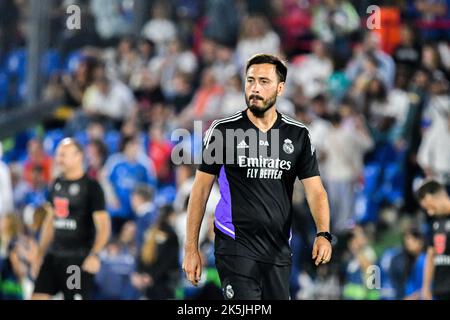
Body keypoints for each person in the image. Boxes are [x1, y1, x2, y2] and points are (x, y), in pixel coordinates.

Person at [183, 54, 332, 300]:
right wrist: (191, 248)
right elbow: (199, 191)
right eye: (250, 80)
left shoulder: (298, 136)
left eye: (264, 81)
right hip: (234, 244)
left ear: (280, 88)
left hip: (278, 248)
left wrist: (323, 233)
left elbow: (315, 190)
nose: (255, 88)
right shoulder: (223, 131)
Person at [32, 138, 111, 300]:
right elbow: (50, 222)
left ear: (78, 156)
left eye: (63, 155)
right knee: (37, 296)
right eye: (58, 155)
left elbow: (104, 227)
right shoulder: (56, 184)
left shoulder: (92, 187)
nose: (58, 159)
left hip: (77, 260)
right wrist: (40, 253)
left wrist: (94, 254)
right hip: (54, 255)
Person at [417, 180, 450, 300]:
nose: (430, 212)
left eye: (431, 207)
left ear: (439, 197)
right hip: (440, 289)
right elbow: (431, 255)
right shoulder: (435, 223)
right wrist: (425, 287)